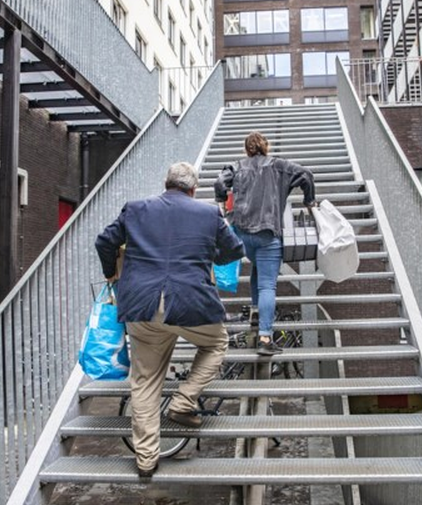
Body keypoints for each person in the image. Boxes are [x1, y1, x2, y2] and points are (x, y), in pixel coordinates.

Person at [95, 161, 244, 480]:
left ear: (166, 184)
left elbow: (104, 241)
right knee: (217, 343)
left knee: (145, 380)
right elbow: (234, 250)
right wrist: (210, 253)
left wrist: (111, 273)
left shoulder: (135, 209)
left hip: (140, 306)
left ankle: (146, 458)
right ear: (193, 190)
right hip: (190, 304)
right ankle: (184, 400)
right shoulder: (208, 214)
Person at [214, 131, 316, 356]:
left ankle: (256, 312)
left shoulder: (237, 166)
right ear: (265, 147)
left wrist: (221, 204)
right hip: (268, 233)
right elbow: (307, 175)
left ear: (247, 148)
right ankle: (265, 337)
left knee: (258, 270)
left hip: (243, 234)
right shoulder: (280, 166)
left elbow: (220, 182)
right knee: (268, 285)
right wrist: (309, 201)